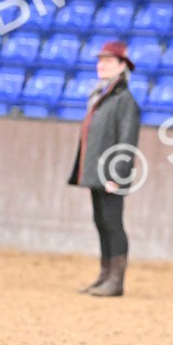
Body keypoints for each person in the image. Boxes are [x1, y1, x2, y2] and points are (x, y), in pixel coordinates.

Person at [68, 40, 141, 296]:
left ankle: (116, 280)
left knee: (112, 222)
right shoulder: (103, 95)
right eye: (100, 61)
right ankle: (105, 275)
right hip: (98, 173)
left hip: (111, 175)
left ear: (122, 66)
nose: (102, 65)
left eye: (108, 61)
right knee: (101, 221)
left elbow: (127, 141)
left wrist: (117, 176)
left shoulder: (125, 100)